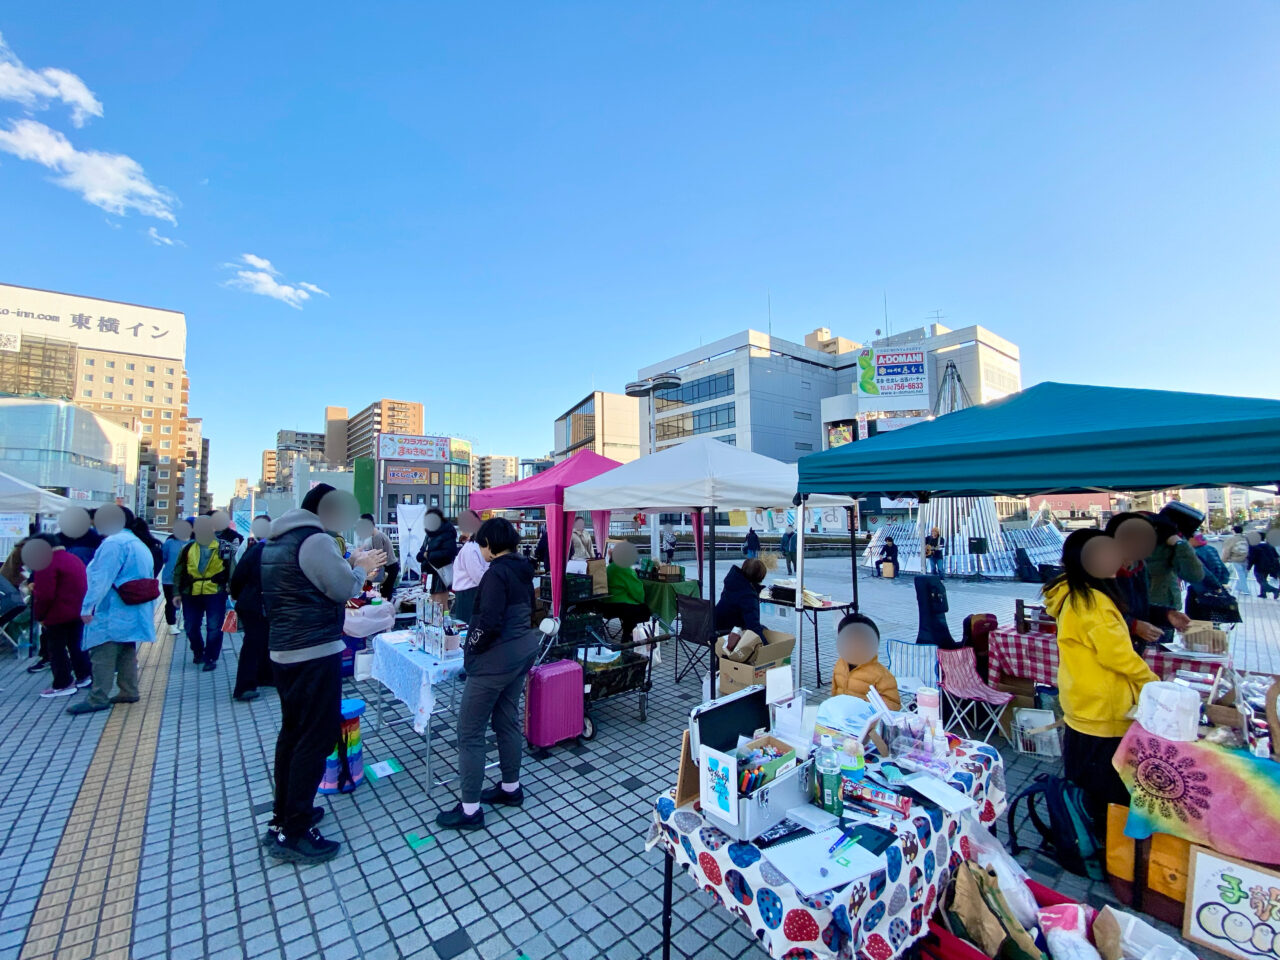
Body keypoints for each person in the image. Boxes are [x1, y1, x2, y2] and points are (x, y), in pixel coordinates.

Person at [260, 484, 385, 862]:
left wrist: (350, 560)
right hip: (312, 650)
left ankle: (285, 814)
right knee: (315, 737)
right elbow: (341, 588)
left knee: (294, 735)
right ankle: (294, 830)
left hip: (287, 649)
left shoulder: (280, 539)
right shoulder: (314, 541)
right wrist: (360, 568)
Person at [1044, 528, 1158, 835]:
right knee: (1103, 791)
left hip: (1085, 704)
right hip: (1103, 709)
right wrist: (1153, 682)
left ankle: (1083, 835)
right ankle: (1099, 846)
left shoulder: (1072, 594)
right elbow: (1117, 655)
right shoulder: (1090, 601)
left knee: (1082, 780)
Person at [436, 517, 540, 831]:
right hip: (522, 651)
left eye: (482, 544)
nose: (480, 549)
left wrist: (473, 649)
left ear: (490, 545)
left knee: (469, 732)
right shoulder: (523, 568)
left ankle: (470, 810)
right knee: (506, 721)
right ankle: (511, 788)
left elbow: (489, 623)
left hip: (495, 660)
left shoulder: (496, 573)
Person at [67, 504, 157, 715]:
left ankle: (98, 697)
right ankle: (128, 690)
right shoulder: (137, 542)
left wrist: (87, 606)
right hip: (134, 607)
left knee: (102, 652)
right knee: (126, 649)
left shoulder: (114, 543)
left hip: (113, 607)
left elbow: (100, 579)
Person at [1105, 513, 1191, 646]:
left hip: (1133, 648)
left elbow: (1140, 609)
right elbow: (1096, 616)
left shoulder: (1139, 567)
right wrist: (1133, 625)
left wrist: (1167, 615)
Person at [23, 535, 91, 697]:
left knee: (56, 649)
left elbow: (45, 595)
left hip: (57, 613)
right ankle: (84, 676)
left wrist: (40, 615)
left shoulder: (46, 563)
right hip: (77, 610)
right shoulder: (73, 558)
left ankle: (64, 683)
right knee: (76, 645)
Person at [175, 516, 237, 671]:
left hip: (215, 590)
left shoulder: (224, 547)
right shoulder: (187, 549)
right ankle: (198, 651)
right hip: (191, 591)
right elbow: (178, 571)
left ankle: (211, 657)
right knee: (190, 626)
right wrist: (176, 593)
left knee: (214, 626)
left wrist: (233, 589)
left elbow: (232, 569)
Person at [229, 516, 272, 702]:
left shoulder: (258, 549)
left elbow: (238, 577)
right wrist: (239, 595)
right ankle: (244, 686)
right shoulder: (257, 550)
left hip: (257, 604)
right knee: (253, 644)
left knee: (264, 641)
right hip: (255, 605)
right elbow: (237, 577)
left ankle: (264, 677)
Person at [831, 612, 900, 710]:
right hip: (841, 719)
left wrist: (867, 705)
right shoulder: (840, 664)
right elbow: (835, 692)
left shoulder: (881, 675)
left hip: (866, 722)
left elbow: (894, 704)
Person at [1144, 506, 1204, 610]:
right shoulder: (1167, 541)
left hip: (1160, 607)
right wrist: (1180, 544)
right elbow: (1195, 575)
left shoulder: (1167, 539)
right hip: (1158, 607)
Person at [601, 541, 653, 634]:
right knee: (644, 610)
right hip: (620, 605)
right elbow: (637, 591)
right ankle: (629, 636)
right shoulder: (624, 568)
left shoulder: (609, 568)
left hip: (605, 605)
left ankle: (628, 634)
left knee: (636, 609)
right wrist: (641, 600)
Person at [451, 510, 488, 624]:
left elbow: (478, 576)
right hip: (474, 592)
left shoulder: (470, 548)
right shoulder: (478, 546)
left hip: (468, 594)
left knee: (466, 628)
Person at [714, 557, 767, 636]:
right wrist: (766, 646)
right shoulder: (748, 595)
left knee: (763, 629)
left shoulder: (733, 583)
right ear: (760, 577)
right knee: (764, 632)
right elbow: (753, 627)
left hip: (715, 625)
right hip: (727, 632)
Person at [1186, 532, 1233, 619]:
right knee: (1213, 619)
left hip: (1200, 591)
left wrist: (1215, 586)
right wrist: (1221, 584)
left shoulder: (1193, 553)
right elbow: (1225, 571)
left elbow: (1204, 573)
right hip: (1214, 590)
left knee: (1196, 621)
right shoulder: (1211, 549)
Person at [416, 508, 458, 606]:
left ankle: (444, 621)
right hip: (429, 572)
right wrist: (423, 555)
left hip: (441, 572)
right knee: (432, 603)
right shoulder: (429, 535)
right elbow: (420, 554)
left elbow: (450, 552)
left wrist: (429, 555)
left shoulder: (447, 532)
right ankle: (435, 621)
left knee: (441, 604)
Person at [355, 514, 399, 599]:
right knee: (386, 593)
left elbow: (379, 560)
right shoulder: (376, 536)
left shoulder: (377, 537)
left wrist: (371, 575)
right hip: (390, 567)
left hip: (390, 567)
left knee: (385, 594)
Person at [160, 518, 191, 637]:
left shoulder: (193, 543)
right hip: (169, 578)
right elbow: (164, 558)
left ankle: (185, 621)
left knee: (187, 600)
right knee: (170, 602)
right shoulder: (169, 543)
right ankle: (171, 624)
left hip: (188, 578)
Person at [1221, 525, 1251, 596]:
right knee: (1243, 574)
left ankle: (1245, 590)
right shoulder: (1246, 538)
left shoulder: (1231, 539)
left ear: (1233, 531)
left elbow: (1227, 551)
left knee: (1240, 574)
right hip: (1245, 558)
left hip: (1235, 558)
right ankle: (1239, 587)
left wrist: (1224, 560)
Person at [1248, 535, 1280, 599]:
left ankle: (1274, 590)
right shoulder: (1270, 546)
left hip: (1260, 567)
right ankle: (1263, 594)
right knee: (1264, 580)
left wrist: (1249, 567)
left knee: (1261, 580)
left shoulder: (1254, 546)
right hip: (1271, 566)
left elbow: (1252, 558)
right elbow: (1276, 556)